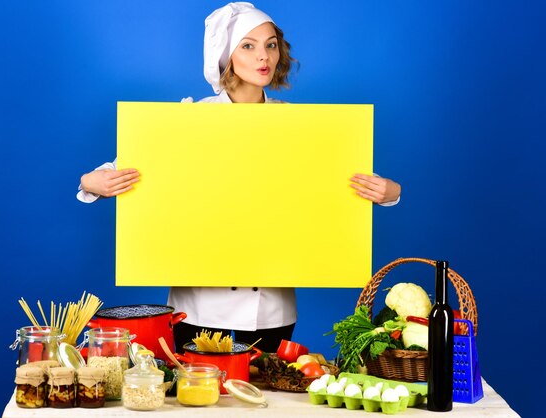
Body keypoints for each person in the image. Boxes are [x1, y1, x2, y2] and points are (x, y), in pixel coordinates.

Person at [77, 2, 401, 353]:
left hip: (270, 307)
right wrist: (92, 182)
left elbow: (336, 179)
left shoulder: (300, 125)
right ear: (226, 55)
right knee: (197, 398)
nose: (264, 56)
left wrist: (389, 191)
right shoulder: (192, 118)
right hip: (199, 303)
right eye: (248, 45)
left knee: (265, 396)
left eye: (270, 44)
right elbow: (132, 167)